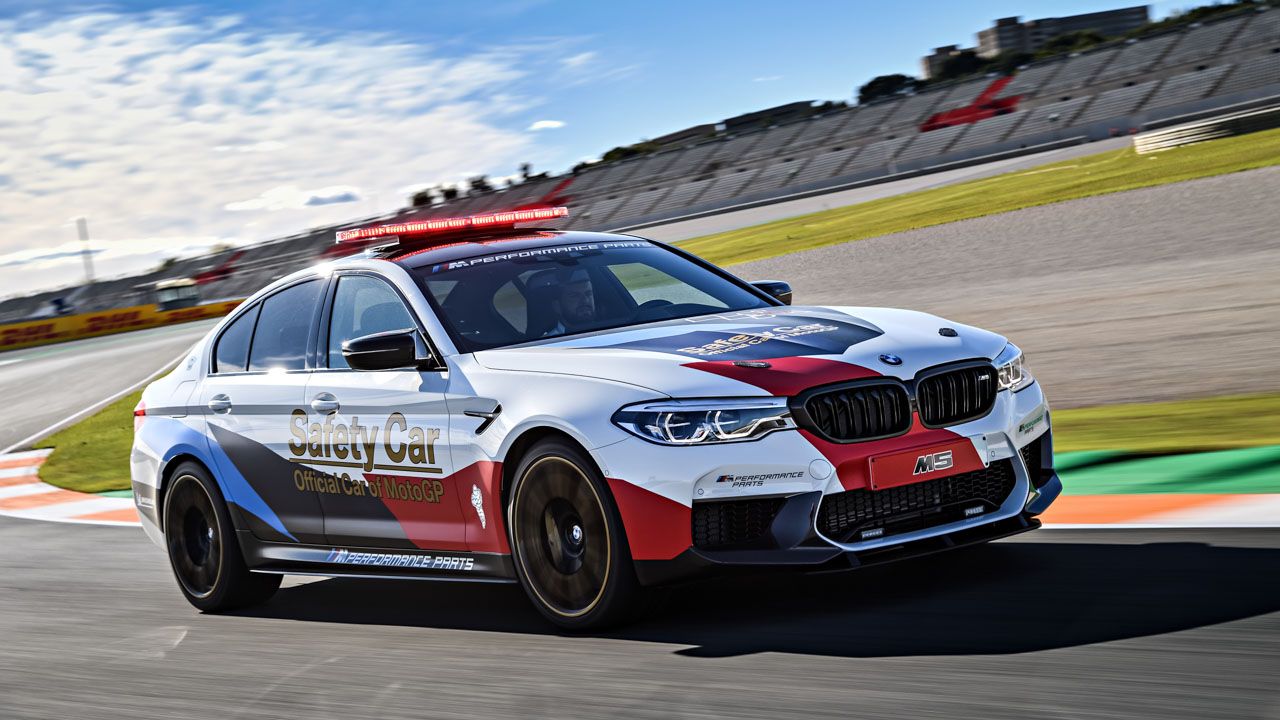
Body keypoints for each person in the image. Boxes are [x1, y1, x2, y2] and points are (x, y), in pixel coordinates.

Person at [546, 268, 595, 336]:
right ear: (557, 306)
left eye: (588, 293)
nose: (585, 300)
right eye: (575, 296)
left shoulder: (610, 328)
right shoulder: (548, 343)